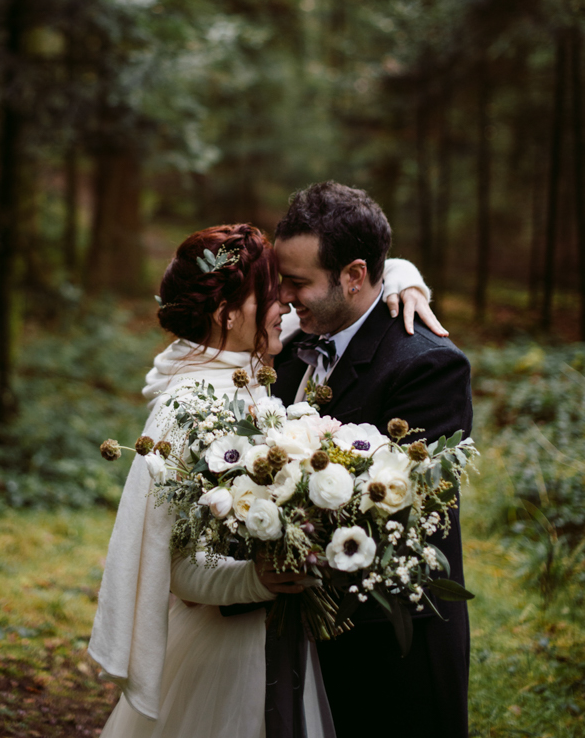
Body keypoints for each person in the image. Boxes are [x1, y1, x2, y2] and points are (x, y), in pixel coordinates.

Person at [89, 223, 439, 738]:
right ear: (226, 313)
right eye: (272, 293)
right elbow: (175, 564)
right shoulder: (186, 405)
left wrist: (404, 279)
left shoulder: (252, 365)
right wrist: (255, 579)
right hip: (232, 652)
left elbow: (355, 282)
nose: (287, 306)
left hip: (290, 640)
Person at [272, 182, 473, 738]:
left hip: (389, 644)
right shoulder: (289, 348)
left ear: (354, 276)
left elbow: (401, 514)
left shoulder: (426, 368)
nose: (284, 296)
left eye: (297, 282)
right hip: (300, 645)